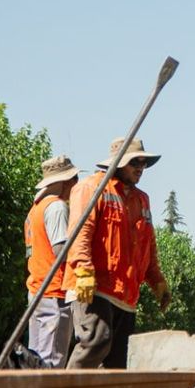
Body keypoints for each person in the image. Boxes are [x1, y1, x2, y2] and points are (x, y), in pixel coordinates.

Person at [65, 137, 170, 369]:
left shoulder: (142, 200)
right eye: (135, 163)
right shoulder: (91, 188)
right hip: (93, 286)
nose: (141, 168)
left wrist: (157, 280)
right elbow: (80, 232)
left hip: (125, 293)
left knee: (118, 360)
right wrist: (82, 270)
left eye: (143, 163)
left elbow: (147, 244)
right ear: (119, 163)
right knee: (96, 341)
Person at [23, 154, 79, 367]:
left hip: (37, 290)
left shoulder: (35, 209)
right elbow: (60, 251)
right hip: (54, 292)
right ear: (65, 182)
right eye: (74, 180)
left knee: (35, 359)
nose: (76, 185)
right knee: (51, 361)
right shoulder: (56, 207)